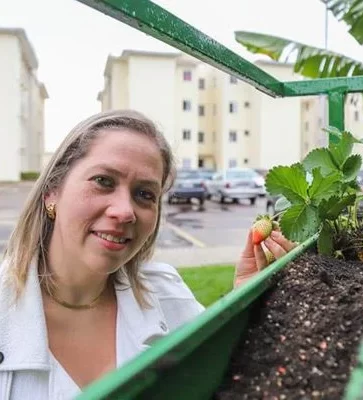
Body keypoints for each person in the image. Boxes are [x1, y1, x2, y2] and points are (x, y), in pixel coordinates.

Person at [0, 110, 295, 399]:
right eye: (104, 181)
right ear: (52, 191)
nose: (125, 211)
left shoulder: (167, 293)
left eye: (145, 194)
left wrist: (240, 305)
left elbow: (224, 380)